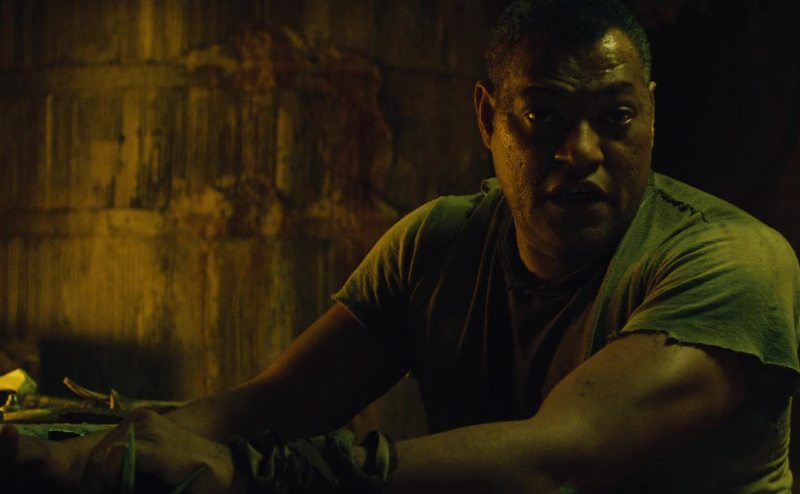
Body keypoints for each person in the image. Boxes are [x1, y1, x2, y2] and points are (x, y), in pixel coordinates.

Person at [2, 0, 799, 491]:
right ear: (487, 118)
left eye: (616, 118)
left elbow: (557, 459)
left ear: (651, 115)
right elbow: (272, 406)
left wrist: (246, 477)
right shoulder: (438, 244)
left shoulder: (730, 262)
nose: (582, 150)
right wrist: (101, 451)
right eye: (544, 116)